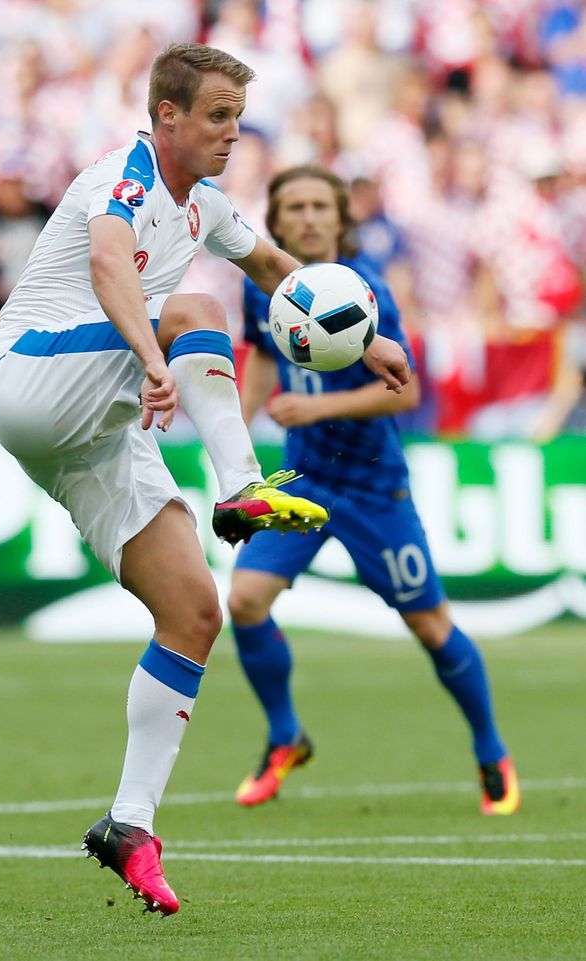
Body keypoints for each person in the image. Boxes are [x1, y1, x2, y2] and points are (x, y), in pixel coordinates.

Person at [0, 44, 411, 916]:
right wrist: (151, 357)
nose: (231, 134)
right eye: (216, 116)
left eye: (238, 120)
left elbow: (279, 272)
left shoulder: (204, 204)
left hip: (95, 429)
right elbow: (108, 266)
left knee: (195, 611)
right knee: (198, 313)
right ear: (166, 113)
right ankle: (242, 482)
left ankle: (128, 823)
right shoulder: (123, 180)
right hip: (30, 377)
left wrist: (365, 340)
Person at [227, 164, 520, 819]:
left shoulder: (366, 293)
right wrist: (235, 439)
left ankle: (491, 750)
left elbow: (408, 390)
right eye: (293, 207)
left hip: (370, 486)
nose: (306, 217)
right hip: (301, 481)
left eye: (318, 206)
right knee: (244, 600)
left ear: (340, 219)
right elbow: (263, 362)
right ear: (276, 221)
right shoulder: (261, 292)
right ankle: (284, 736)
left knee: (429, 623)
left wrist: (318, 412)